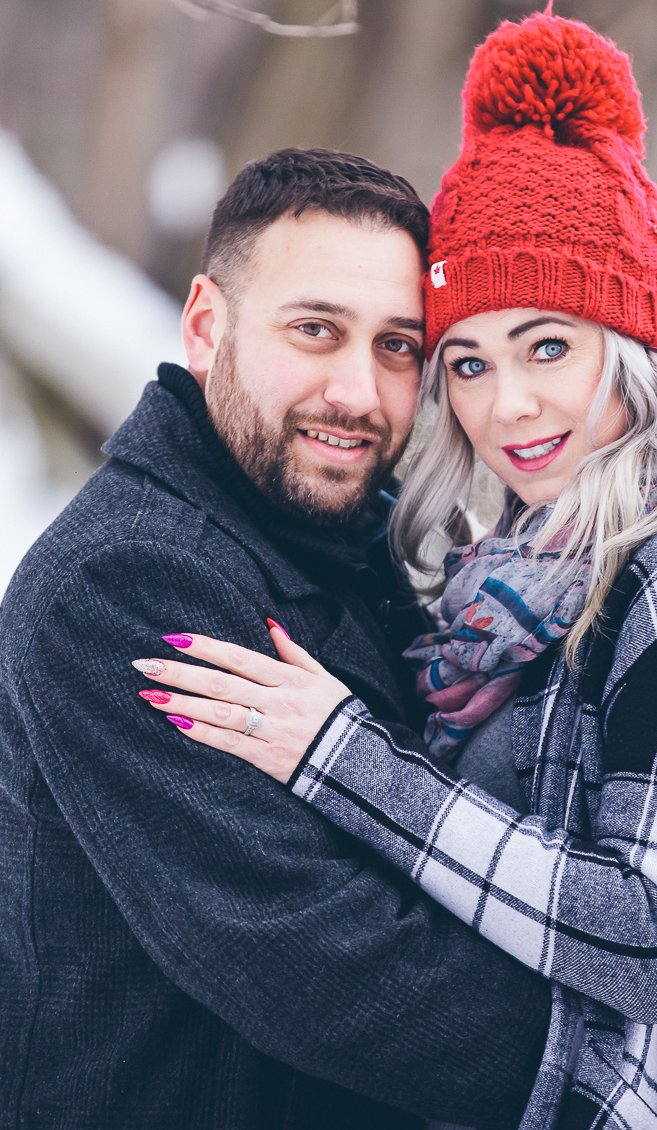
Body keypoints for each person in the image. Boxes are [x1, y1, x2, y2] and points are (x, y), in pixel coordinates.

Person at [143, 15, 657, 1129]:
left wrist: (343, 758)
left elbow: (653, 936)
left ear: (636, 349)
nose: (507, 405)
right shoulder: (512, 580)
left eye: (549, 346)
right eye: (468, 360)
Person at [0, 147, 554, 1130]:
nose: (356, 390)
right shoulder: (132, 581)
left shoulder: (370, 551)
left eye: (396, 346)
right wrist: (627, 1051)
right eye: (316, 330)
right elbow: (331, 967)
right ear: (208, 326)